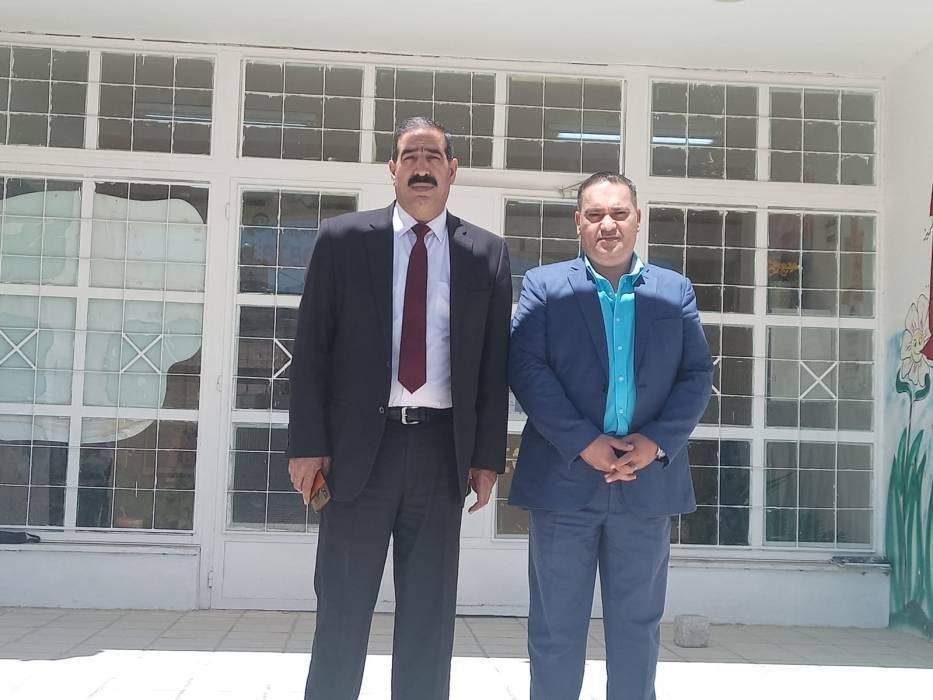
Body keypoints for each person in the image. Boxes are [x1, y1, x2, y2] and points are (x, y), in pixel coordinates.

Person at [287, 117, 511, 700]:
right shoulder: (343, 240)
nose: (421, 167)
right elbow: (312, 348)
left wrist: (487, 458)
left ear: (452, 170)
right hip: (360, 453)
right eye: (410, 156)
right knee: (342, 607)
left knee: (429, 616)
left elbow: (494, 366)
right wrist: (307, 445)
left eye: (433, 156)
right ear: (392, 169)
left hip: (441, 452)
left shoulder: (485, 252)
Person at [508, 172, 713, 700]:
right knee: (555, 629)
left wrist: (655, 443)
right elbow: (527, 369)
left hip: (646, 485)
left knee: (637, 629)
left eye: (619, 213)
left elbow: (696, 375)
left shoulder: (674, 290)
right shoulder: (544, 286)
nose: (608, 225)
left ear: (637, 219)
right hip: (564, 481)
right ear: (577, 221)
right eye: (596, 214)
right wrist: (584, 442)